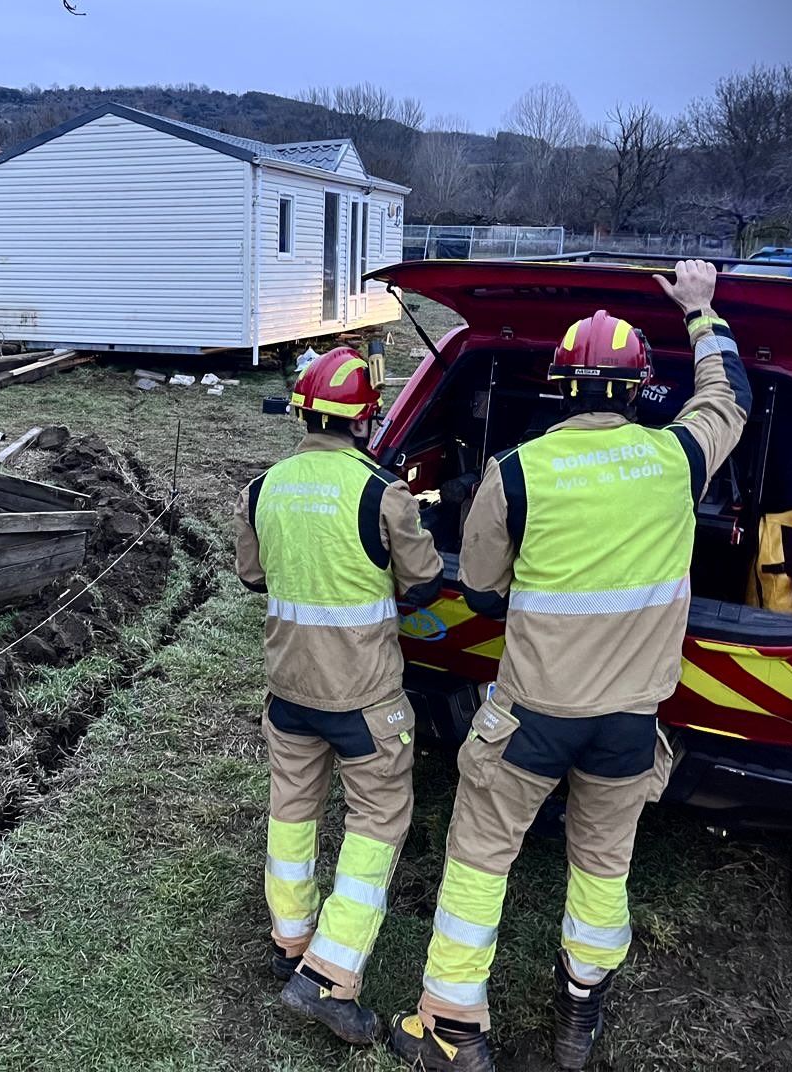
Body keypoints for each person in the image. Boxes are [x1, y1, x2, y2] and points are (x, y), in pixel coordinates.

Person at [389, 260, 751, 1072]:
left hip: (530, 721)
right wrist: (701, 312)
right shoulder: (677, 460)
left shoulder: (515, 474)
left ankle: (452, 1029)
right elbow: (731, 399)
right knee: (601, 866)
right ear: (638, 392)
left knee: (481, 858)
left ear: (557, 389)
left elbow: (481, 595)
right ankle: (579, 1015)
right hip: (628, 727)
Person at [235, 346, 444, 1046]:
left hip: (288, 694)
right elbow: (421, 579)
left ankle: (290, 940)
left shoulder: (263, 488)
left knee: (292, 815)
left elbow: (252, 577)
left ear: (303, 413)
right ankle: (328, 977)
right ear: (364, 421)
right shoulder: (382, 493)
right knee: (377, 824)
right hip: (363, 703)